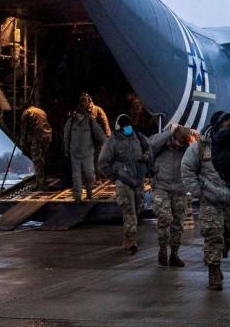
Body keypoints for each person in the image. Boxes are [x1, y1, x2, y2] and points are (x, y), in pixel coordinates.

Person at [182, 110, 230, 291]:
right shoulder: (200, 147)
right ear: (216, 127)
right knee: (213, 234)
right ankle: (213, 270)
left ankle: (220, 252)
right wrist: (198, 192)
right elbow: (187, 169)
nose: (227, 129)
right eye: (224, 126)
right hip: (210, 198)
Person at [97, 114, 151, 253]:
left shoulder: (138, 137)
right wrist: (114, 176)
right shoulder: (112, 142)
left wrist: (146, 159)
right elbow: (103, 162)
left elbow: (149, 149)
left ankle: (129, 235)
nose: (128, 129)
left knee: (138, 208)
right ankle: (130, 240)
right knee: (129, 210)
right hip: (124, 181)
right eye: (125, 127)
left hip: (138, 180)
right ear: (119, 128)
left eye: (129, 126)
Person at [148, 123, 193, 267]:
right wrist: (169, 133)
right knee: (164, 219)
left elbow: (200, 150)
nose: (178, 147)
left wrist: (192, 134)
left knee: (178, 224)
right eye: (177, 143)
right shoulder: (162, 143)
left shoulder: (186, 147)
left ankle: (174, 254)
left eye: (181, 145)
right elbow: (150, 145)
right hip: (162, 187)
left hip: (179, 189)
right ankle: (162, 250)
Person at [62, 103, 105, 202]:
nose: (79, 117)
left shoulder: (90, 121)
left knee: (89, 175)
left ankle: (89, 191)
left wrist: (106, 144)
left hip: (88, 154)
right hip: (75, 154)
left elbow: (99, 134)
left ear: (84, 114)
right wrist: (66, 151)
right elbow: (66, 137)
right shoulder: (71, 122)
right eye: (77, 114)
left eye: (81, 114)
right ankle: (77, 197)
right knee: (76, 177)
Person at [20, 105, 52, 190]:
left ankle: (41, 184)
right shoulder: (41, 111)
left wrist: (23, 143)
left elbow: (24, 130)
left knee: (37, 160)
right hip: (48, 136)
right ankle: (44, 180)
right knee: (43, 159)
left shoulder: (27, 113)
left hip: (38, 137)